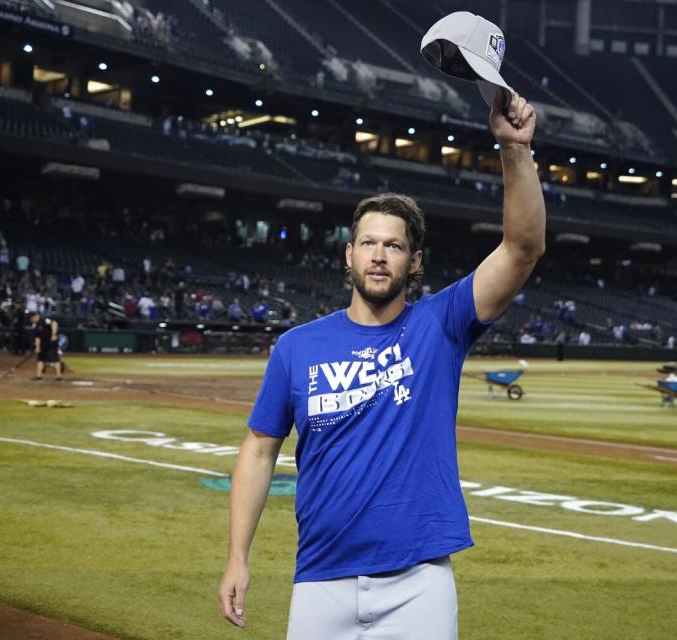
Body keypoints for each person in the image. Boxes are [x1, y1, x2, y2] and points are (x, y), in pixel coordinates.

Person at [218, 88, 545, 638]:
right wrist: (237, 557)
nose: (377, 254)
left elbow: (522, 248)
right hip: (321, 578)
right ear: (347, 255)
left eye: (393, 246)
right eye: (367, 242)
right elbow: (258, 448)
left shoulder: (441, 325)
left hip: (418, 581)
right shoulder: (296, 347)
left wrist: (514, 150)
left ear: (413, 261)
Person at [30, 311, 62, 382]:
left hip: (51, 343)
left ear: (35, 316)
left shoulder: (45, 320)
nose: (31, 320)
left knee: (55, 359)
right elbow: (37, 337)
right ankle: (38, 376)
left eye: (32, 319)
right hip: (43, 345)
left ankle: (59, 376)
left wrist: (54, 334)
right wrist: (37, 347)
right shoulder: (36, 325)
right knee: (40, 359)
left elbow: (54, 323)